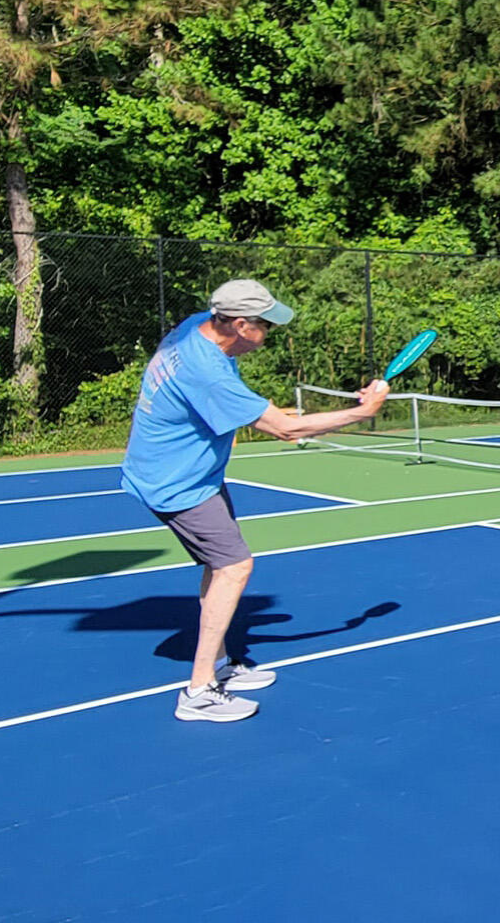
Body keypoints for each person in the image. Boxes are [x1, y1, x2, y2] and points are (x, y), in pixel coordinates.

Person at [121, 279, 390, 723]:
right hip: (176, 483)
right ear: (240, 325)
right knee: (234, 567)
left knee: (219, 564)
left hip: (186, 474)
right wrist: (361, 413)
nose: (270, 332)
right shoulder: (203, 370)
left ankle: (222, 664)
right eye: (265, 325)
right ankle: (199, 691)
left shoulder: (195, 328)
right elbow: (285, 429)